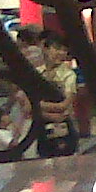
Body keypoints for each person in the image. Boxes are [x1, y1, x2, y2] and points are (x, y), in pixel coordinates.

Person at [37, 29, 79, 158]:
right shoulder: (36, 73)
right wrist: (47, 113)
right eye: (56, 48)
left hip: (63, 127)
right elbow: (27, 106)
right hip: (41, 128)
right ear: (45, 48)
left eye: (64, 50)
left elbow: (64, 105)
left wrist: (38, 106)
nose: (60, 53)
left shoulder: (69, 75)